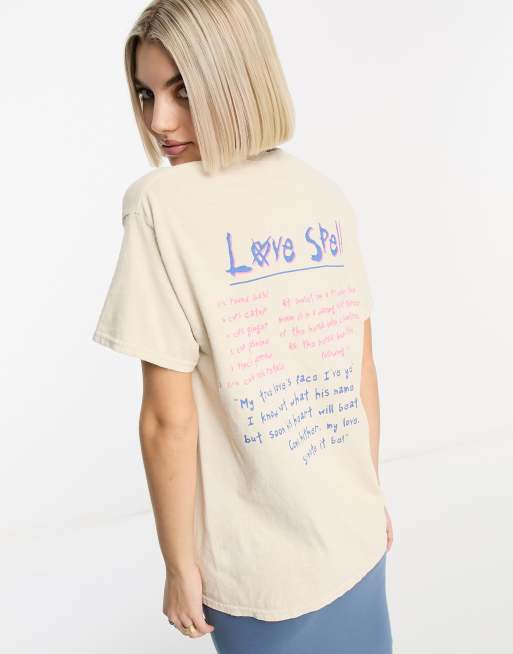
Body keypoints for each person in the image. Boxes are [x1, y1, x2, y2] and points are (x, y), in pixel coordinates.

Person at [91, 1, 395, 652]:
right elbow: (360, 370)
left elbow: (166, 421)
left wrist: (179, 569)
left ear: (234, 79)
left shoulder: (160, 205)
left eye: (182, 91)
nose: (158, 121)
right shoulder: (321, 192)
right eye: (146, 94)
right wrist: (369, 497)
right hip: (355, 534)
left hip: (261, 570)